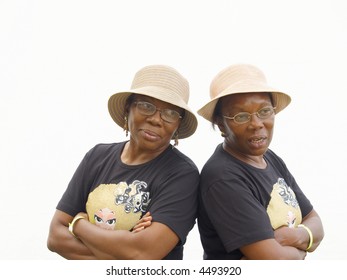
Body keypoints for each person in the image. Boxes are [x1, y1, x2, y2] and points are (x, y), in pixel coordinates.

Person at [47, 64, 199, 260]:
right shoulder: (97, 157)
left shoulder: (182, 175)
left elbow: (141, 255)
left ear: (178, 124)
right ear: (128, 108)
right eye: (146, 106)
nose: (156, 119)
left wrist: (78, 224)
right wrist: (123, 250)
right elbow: (55, 237)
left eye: (170, 113)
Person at [197, 64, 324, 260]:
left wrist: (295, 235)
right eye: (241, 116)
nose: (256, 123)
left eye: (264, 111)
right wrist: (302, 251)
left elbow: (315, 222)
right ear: (221, 123)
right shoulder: (223, 177)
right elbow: (273, 261)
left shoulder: (270, 159)